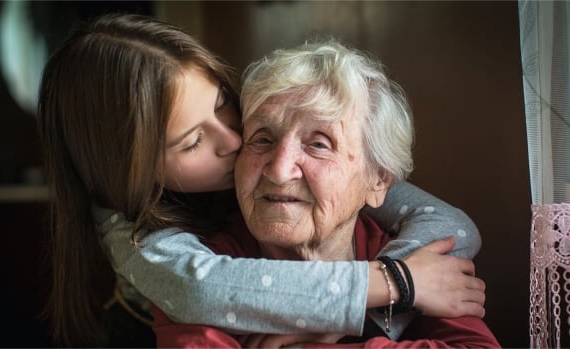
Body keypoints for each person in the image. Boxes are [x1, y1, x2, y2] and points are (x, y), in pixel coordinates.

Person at [37, 13, 485, 348]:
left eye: (222, 106)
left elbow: (451, 224)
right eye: (193, 141)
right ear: (131, 172)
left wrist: (385, 300)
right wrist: (395, 286)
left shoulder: (378, 222)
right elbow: (201, 290)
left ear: (377, 178)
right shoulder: (150, 243)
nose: (236, 140)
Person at [151, 38, 499, 347]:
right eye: (262, 139)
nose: (279, 168)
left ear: (378, 181)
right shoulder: (205, 268)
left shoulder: (414, 257)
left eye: (319, 144)